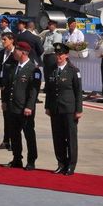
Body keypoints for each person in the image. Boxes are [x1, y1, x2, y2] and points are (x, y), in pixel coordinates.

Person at [1, 41, 40, 170]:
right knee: (14, 134)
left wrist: (29, 106)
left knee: (29, 134)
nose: (14, 52)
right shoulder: (14, 66)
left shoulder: (33, 69)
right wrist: (5, 101)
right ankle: (17, 158)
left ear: (23, 52)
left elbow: (34, 91)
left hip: (25, 108)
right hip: (13, 107)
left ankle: (31, 160)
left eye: (16, 50)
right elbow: (8, 86)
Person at [45, 43, 83, 175]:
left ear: (66, 55)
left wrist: (78, 110)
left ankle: (71, 165)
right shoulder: (52, 69)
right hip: (55, 109)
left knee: (70, 138)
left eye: (60, 54)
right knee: (58, 137)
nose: (58, 57)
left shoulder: (73, 71)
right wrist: (47, 106)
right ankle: (61, 163)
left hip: (69, 109)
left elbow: (78, 92)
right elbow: (49, 90)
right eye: (57, 54)